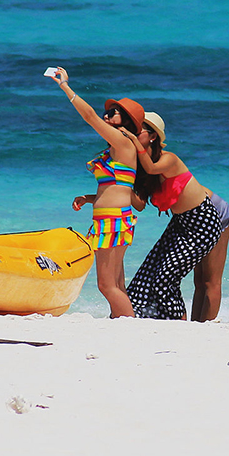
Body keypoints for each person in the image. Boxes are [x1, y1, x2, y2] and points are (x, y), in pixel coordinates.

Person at [48, 67, 145, 318]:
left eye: (113, 113)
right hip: (110, 217)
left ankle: (127, 325)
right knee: (116, 284)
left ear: (125, 120)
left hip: (113, 220)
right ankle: (122, 321)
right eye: (107, 112)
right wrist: (90, 199)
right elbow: (117, 186)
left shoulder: (124, 142)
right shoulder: (119, 148)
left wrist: (65, 87)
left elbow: (89, 116)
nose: (106, 115)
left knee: (106, 285)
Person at [121, 111, 229, 321]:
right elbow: (139, 204)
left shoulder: (167, 159)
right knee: (173, 277)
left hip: (212, 215)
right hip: (183, 222)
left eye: (137, 130)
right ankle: (188, 324)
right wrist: (114, 184)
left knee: (208, 281)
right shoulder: (143, 171)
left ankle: (204, 329)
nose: (132, 134)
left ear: (152, 136)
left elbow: (152, 166)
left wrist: (133, 142)